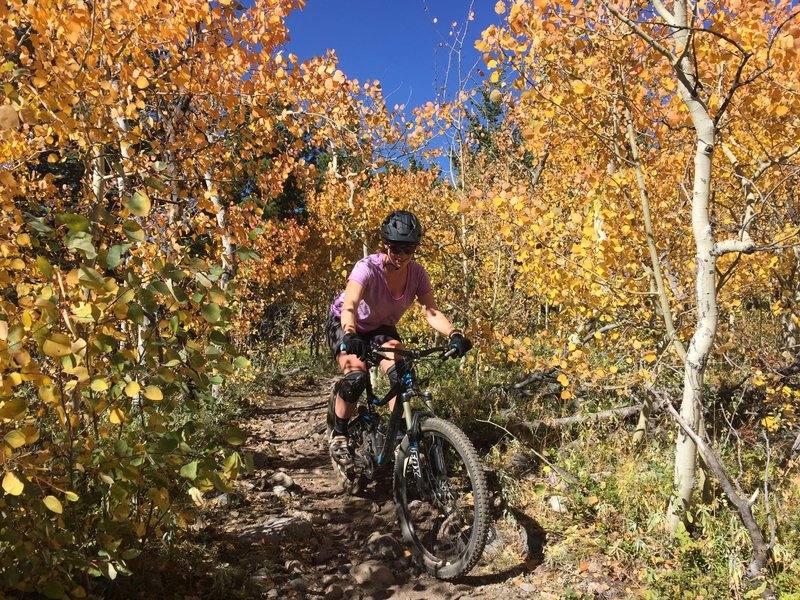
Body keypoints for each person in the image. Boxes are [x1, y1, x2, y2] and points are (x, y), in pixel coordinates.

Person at [325, 210, 472, 465]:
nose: (401, 255)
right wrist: (350, 333)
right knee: (356, 376)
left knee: (402, 371)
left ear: (415, 248)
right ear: (385, 245)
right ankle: (338, 434)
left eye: (408, 249)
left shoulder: (417, 273)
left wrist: (453, 333)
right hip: (346, 322)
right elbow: (349, 304)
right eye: (395, 248)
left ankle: (401, 437)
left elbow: (431, 311)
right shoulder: (367, 267)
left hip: (381, 326)